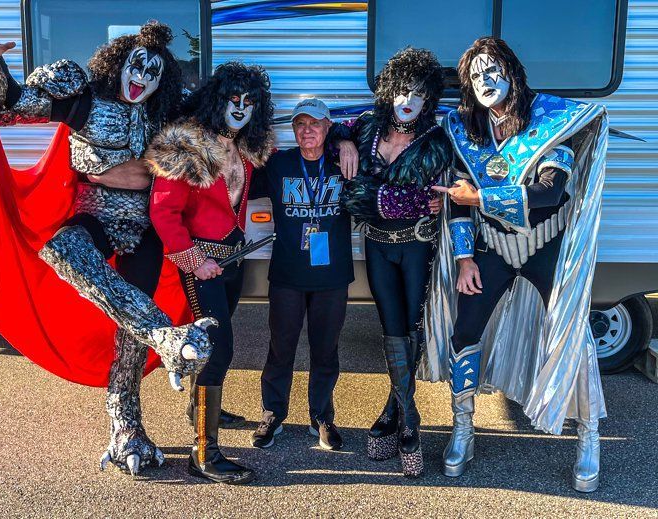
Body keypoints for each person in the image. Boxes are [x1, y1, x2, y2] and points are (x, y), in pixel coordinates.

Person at [0, 22, 213, 477]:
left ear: (161, 79)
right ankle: (165, 335)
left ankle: (126, 424)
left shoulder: (168, 115)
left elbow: (225, 139)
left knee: (129, 331)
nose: (142, 77)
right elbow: (12, 106)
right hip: (94, 212)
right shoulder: (86, 99)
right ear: (120, 64)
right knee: (62, 250)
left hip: (146, 225)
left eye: (153, 73)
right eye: (137, 66)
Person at [426, 37, 608, 492]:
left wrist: (483, 196)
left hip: (546, 245)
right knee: (465, 331)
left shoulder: (548, 121)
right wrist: (465, 257)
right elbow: (458, 203)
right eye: (476, 75)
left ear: (511, 72)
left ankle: (589, 436)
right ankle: (463, 429)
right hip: (491, 248)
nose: (485, 81)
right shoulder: (466, 129)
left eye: (493, 71)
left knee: (575, 334)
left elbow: (550, 194)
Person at [147, 62, 275, 485]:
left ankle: (199, 410)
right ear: (217, 100)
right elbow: (163, 211)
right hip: (202, 264)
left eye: (250, 103)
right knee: (218, 348)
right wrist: (193, 260)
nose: (241, 110)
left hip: (233, 259)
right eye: (234, 101)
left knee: (217, 342)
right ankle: (203, 452)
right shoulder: (187, 145)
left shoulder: (246, 147)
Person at [329, 48, 450, 477]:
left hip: (417, 248)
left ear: (427, 99)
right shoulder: (363, 128)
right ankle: (404, 414)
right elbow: (349, 195)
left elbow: (437, 196)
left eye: (417, 94)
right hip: (377, 247)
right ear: (388, 91)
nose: (407, 100)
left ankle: (404, 421)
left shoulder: (437, 138)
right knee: (390, 328)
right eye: (401, 91)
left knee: (409, 330)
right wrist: (342, 141)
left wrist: (375, 197)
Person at [248, 98, 355, 452]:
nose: (307, 130)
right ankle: (272, 412)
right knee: (281, 347)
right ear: (293, 129)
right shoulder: (279, 164)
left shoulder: (345, 163)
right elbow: (238, 177)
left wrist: (348, 141)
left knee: (326, 350)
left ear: (328, 129)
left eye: (315, 124)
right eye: (300, 124)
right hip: (288, 274)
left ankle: (322, 415)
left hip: (332, 274)